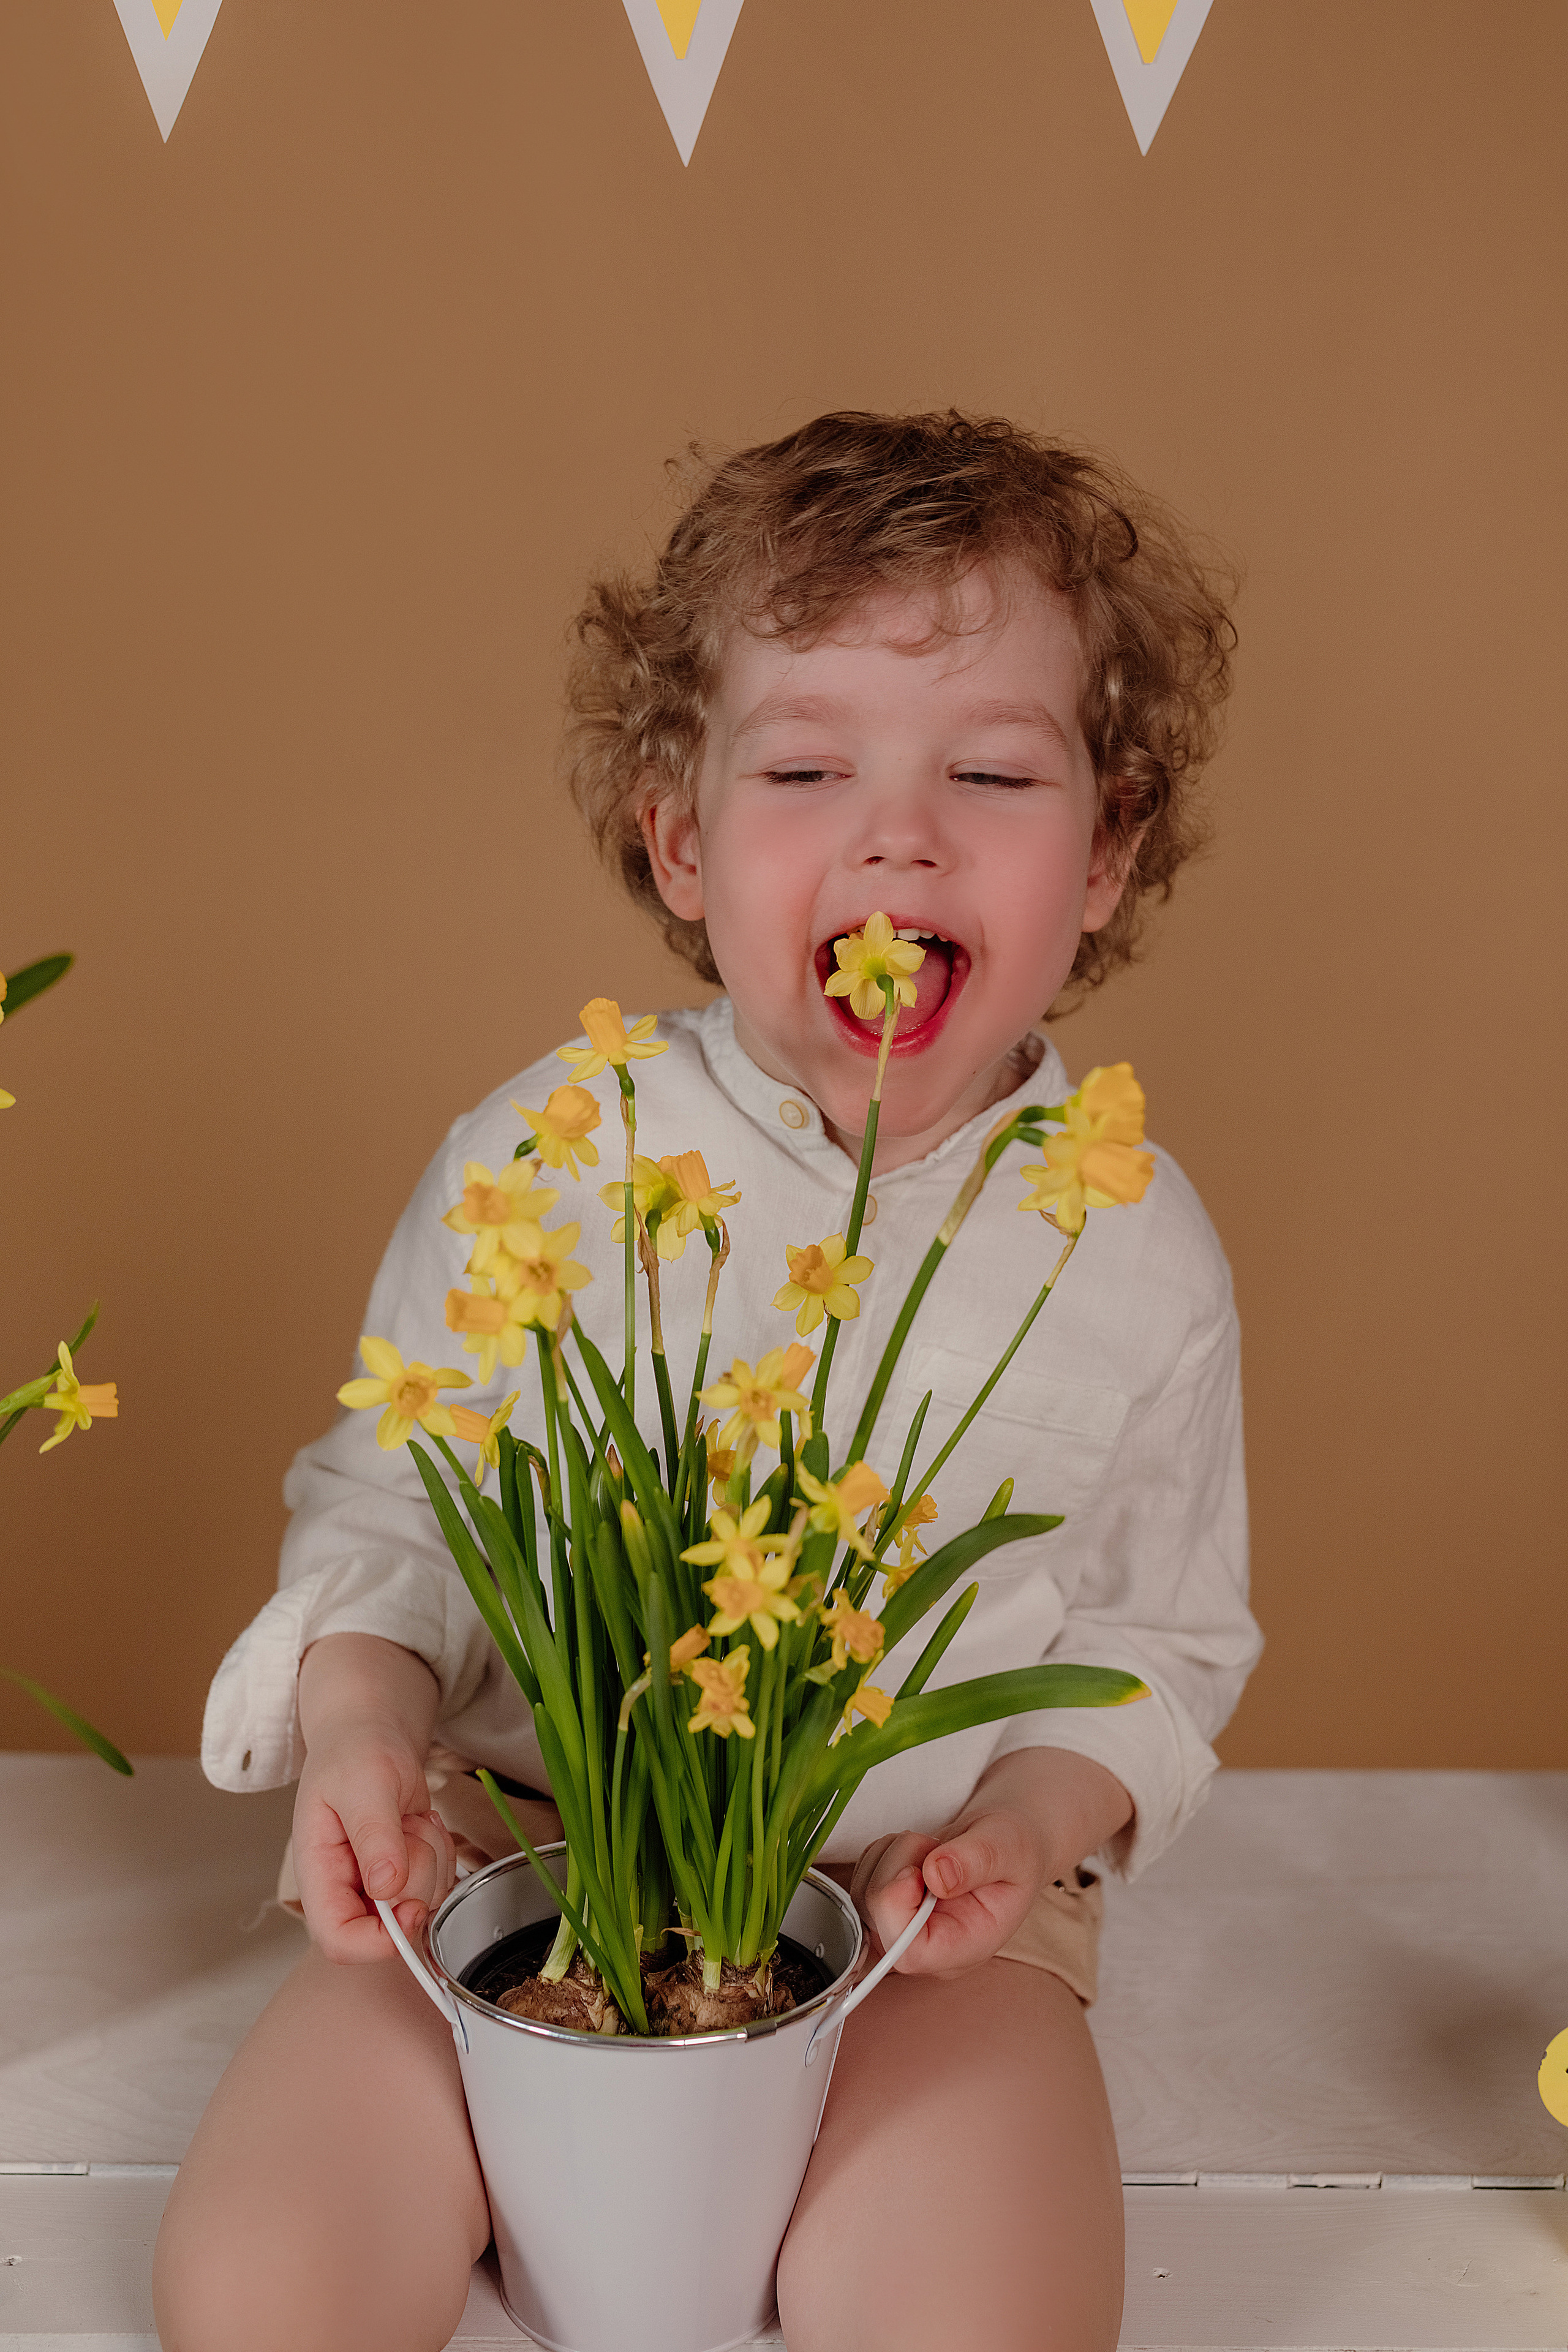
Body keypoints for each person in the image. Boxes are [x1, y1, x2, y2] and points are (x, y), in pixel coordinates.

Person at [154, 410, 1258, 2352]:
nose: (896, 831)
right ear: (681, 840)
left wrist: (1019, 1828)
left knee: (979, 2322)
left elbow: (1160, 1651)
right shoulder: (553, 1155)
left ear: (1108, 854)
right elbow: (393, 1515)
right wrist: (358, 1739)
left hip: (915, 1915)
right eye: (807, 766)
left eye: (992, 770)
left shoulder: (1132, 1243)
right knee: (264, 2291)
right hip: (515, 1851)